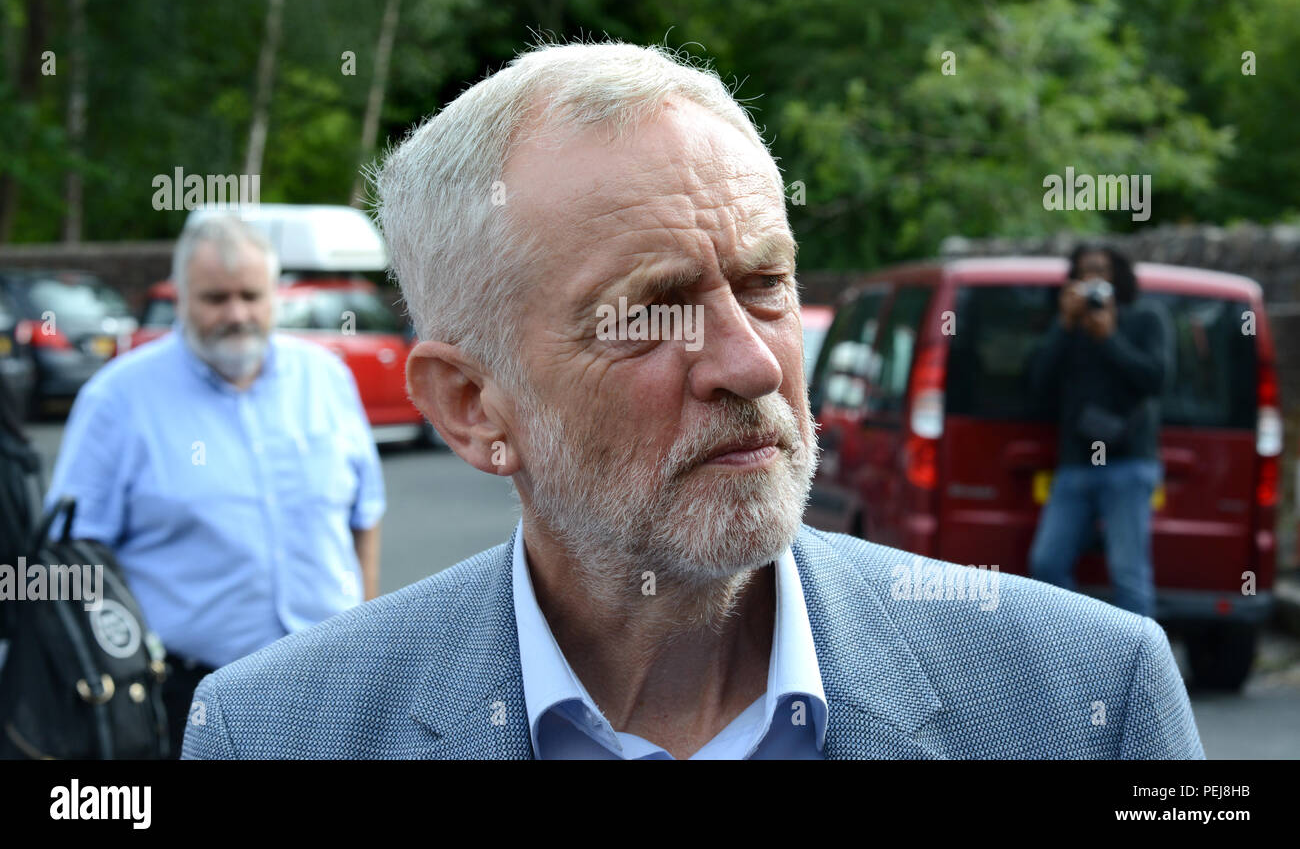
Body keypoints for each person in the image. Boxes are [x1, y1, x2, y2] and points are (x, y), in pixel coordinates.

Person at [184, 41, 1201, 759]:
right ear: (468, 405)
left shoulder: (1084, 703)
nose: (754, 365)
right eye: (654, 311)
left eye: (765, 285)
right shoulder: (276, 733)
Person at [46, 214, 385, 758]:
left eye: (251, 295)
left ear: (275, 294)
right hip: (189, 700)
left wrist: (370, 637)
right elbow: (75, 557)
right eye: (215, 298)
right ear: (179, 296)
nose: (237, 314)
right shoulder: (117, 400)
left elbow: (364, 514)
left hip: (335, 690)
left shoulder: (326, 378)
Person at [1027, 243, 1168, 618]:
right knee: (1046, 563)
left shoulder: (1144, 319)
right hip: (1075, 463)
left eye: (1101, 271)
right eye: (1085, 272)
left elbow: (1156, 380)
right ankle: (1080, 648)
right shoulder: (1067, 328)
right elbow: (1036, 382)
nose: (1093, 280)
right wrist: (1063, 324)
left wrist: (1110, 339)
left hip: (1128, 462)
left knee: (1129, 574)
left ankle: (1141, 668)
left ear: (1117, 277)